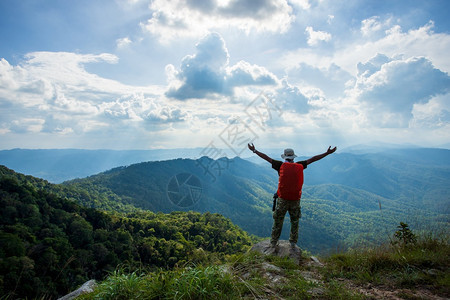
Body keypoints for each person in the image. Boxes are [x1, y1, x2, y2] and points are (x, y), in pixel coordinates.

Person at [247, 143, 337, 251]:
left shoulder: (280, 165)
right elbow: (313, 159)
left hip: (282, 199)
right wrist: (327, 153)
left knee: (278, 221)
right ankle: (293, 243)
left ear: (285, 157)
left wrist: (254, 150)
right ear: (293, 157)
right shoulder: (300, 165)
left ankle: (273, 243)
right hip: (295, 200)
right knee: (294, 221)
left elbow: (267, 158)